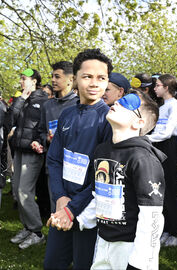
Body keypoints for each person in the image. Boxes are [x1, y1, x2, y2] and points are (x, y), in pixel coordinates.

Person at [78, 90, 166, 270]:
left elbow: (152, 216)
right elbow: (100, 195)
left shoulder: (143, 159)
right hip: (103, 240)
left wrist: (141, 262)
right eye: (120, 99)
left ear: (138, 122)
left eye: (129, 102)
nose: (118, 102)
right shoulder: (102, 151)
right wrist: (80, 219)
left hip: (130, 246)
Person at [43, 48, 113, 270]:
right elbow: (54, 160)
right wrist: (61, 197)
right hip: (63, 203)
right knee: (53, 263)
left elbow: (104, 177)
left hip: (89, 210)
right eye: (87, 76)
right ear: (75, 79)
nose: (94, 83)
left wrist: (72, 209)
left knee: (86, 265)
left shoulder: (110, 120)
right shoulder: (67, 114)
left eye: (101, 78)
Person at [7, 68, 48, 249]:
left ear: (35, 81)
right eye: (21, 79)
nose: (22, 82)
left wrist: (39, 142)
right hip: (18, 150)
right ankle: (27, 227)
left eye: (25, 79)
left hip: (32, 153)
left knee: (25, 193)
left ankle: (37, 232)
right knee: (17, 191)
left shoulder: (43, 101)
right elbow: (10, 119)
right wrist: (21, 98)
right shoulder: (22, 100)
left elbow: (45, 127)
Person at [147, 74, 177, 247]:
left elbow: (168, 131)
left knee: (170, 189)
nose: (154, 88)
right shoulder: (162, 106)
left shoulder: (175, 105)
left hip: (168, 147)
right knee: (160, 190)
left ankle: (175, 231)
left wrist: (145, 139)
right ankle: (166, 229)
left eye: (157, 85)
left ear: (166, 87)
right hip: (157, 145)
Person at [33, 61, 78, 213]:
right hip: (53, 165)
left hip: (75, 166)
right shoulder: (48, 105)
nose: (53, 80)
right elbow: (40, 131)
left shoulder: (78, 104)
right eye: (52, 76)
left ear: (70, 80)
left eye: (57, 76)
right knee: (56, 207)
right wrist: (45, 139)